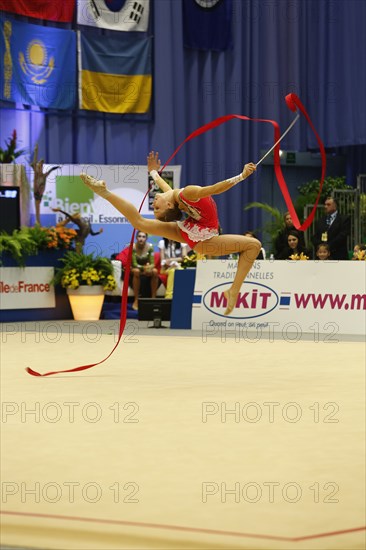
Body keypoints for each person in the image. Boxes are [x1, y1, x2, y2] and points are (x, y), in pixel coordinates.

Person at [80, 151, 260, 315]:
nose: (154, 202)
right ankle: (234, 290)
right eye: (156, 207)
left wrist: (153, 172)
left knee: (139, 223)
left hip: (196, 232)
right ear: (168, 206)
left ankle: (104, 192)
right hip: (204, 239)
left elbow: (165, 187)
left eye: (154, 206)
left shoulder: (177, 196)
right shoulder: (187, 193)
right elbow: (215, 189)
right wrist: (242, 175)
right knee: (254, 245)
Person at [130, 231, 160, 310]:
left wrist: (148, 268)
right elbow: (134, 264)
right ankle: (136, 299)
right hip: (135, 268)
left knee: (155, 271)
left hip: (145, 268)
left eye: (143, 237)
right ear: (136, 238)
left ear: (146, 238)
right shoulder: (132, 247)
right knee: (136, 271)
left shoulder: (150, 247)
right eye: (139, 236)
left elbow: (152, 263)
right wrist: (144, 268)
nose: (141, 238)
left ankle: (153, 298)